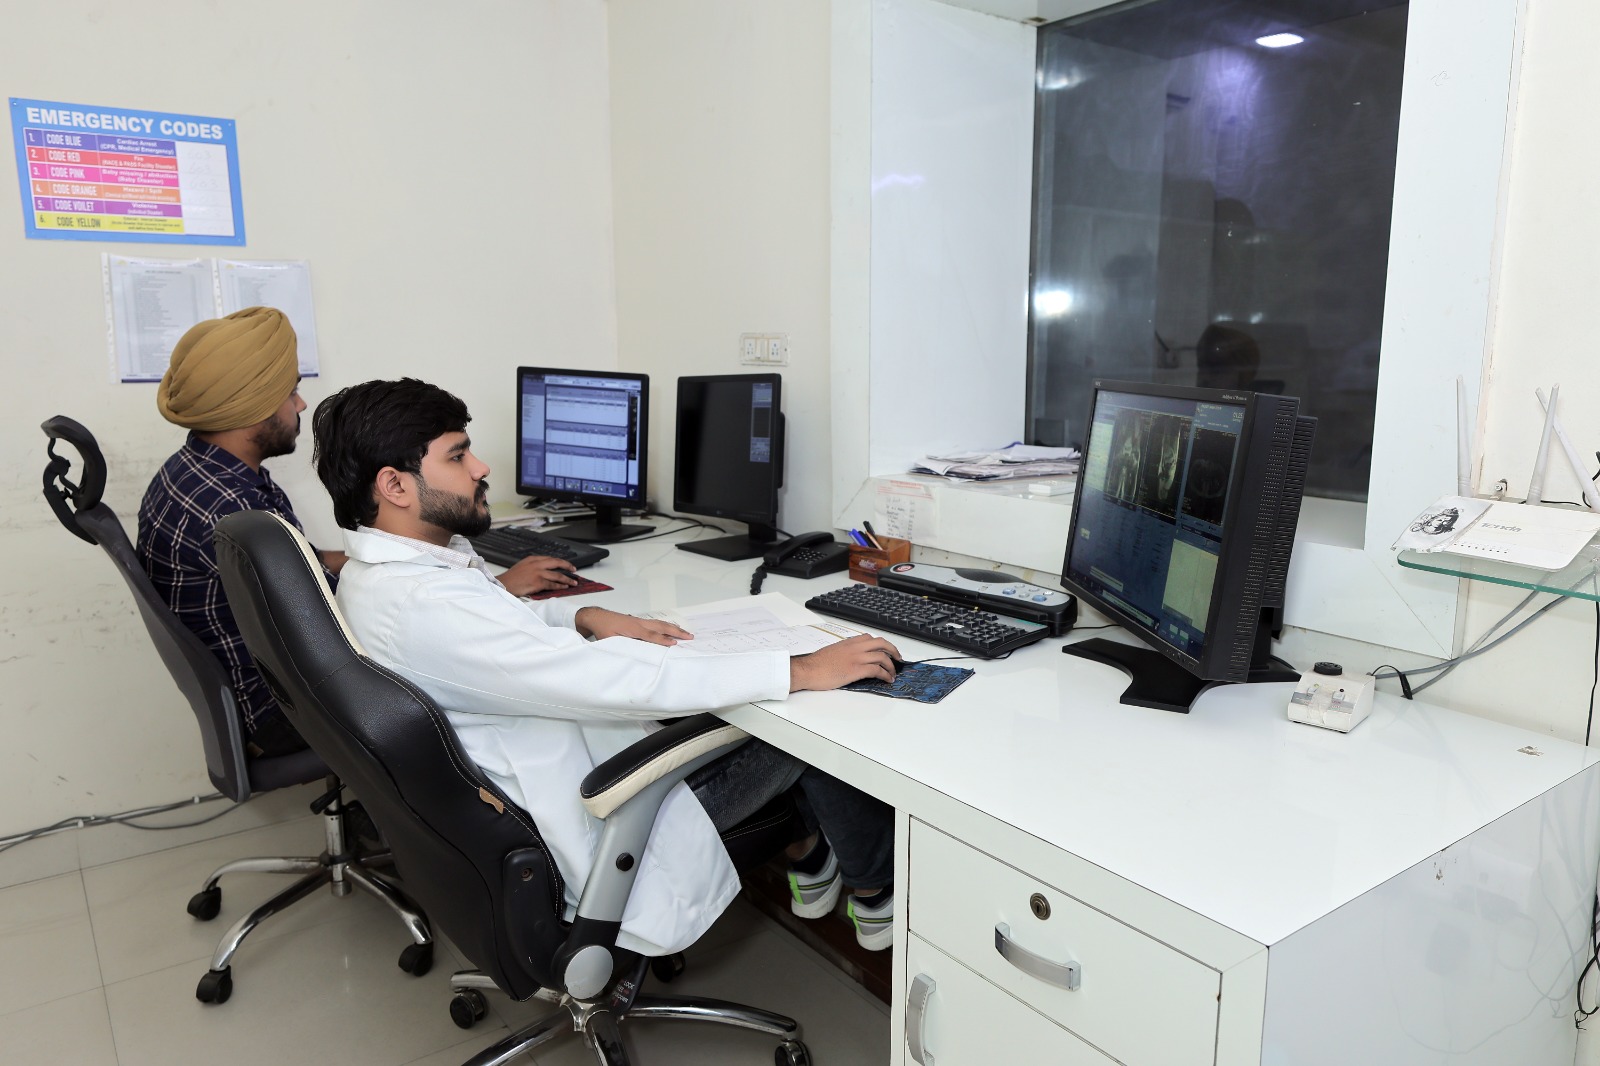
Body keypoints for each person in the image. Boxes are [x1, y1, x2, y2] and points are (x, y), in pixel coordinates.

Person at [311, 378, 901, 956]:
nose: (482, 467)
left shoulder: (387, 573)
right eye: (458, 455)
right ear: (395, 485)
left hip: (543, 766)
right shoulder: (424, 607)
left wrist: (584, 615)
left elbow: (494, 629)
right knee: (815, 711)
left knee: (757, 686)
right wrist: (799, 669)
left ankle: (814, 857)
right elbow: (613, 683)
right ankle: (873, 894)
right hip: (599, 805)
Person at [136, 308, 584, 757]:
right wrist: (485, 589)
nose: (300, 404)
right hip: (282, 710)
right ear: (250, 407)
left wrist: (399, 552)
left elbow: (303, 566)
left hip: (262, 684)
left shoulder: (202, 474)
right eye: (289, 392)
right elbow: (347, 621)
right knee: (535, 705)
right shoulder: (232, 509)